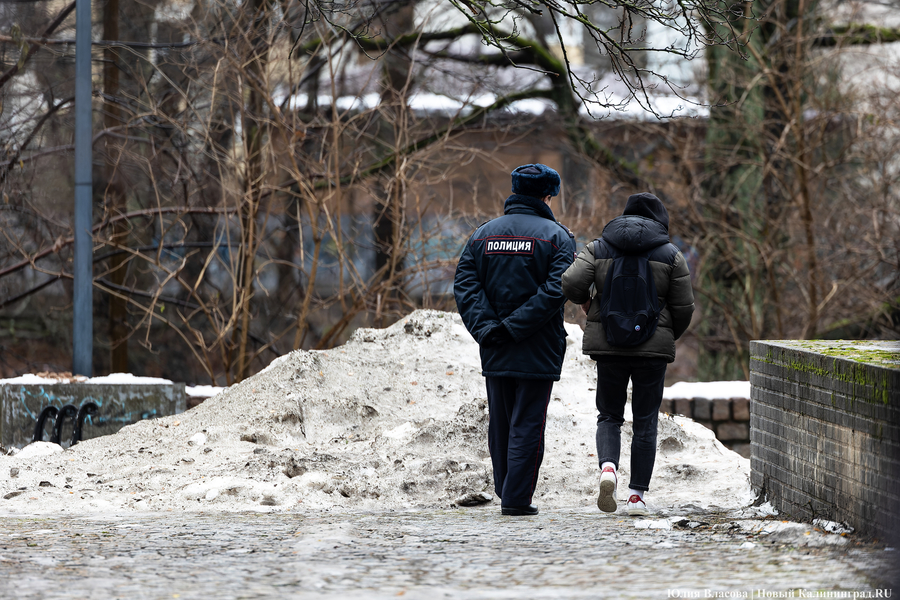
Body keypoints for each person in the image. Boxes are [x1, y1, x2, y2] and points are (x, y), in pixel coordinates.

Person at [561, 192, 694, 516]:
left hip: (609, 345)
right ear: (659, 221)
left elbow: (570, 282)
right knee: (645, 420)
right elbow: (684, 307)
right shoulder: (671, 254)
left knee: (609, 415)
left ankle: (608, 468)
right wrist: (663, 336)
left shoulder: (599, 247)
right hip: (652, 353)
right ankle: (636, 497)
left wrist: (589, 304)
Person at [454, 164, 576, 516]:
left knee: (501, 420)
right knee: (528, 422)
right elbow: (556, 291)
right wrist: (515, 327)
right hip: (537, 347)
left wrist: (489, 328)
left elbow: (465, 285)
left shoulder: (482, 235)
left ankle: (505, 488)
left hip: (494, 346)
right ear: (547, 195)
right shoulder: (557, 237)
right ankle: (516, 499)